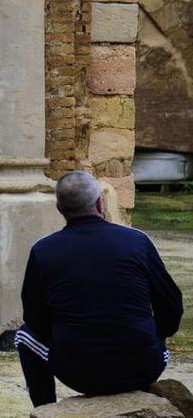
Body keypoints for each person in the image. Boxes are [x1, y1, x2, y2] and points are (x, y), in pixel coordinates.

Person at [15, 171, 183, 407]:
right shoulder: (138, 241)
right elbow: (171, 305)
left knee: (24, 335)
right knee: (144, 331)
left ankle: (45, 409)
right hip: (144, 366)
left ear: (60, 208)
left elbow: (33, 316)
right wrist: (153, 336)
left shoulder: (43, 250)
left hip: (77, 373)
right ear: (99, 202)